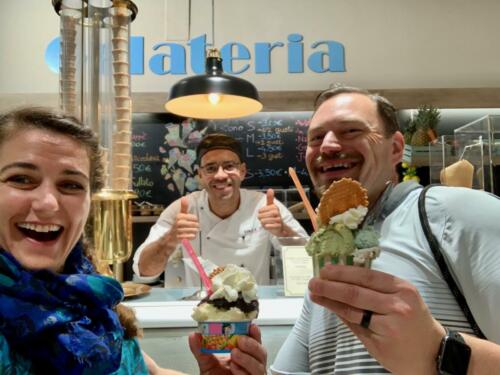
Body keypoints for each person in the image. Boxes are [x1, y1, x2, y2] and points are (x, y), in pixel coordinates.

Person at [263, 86, 500, 374]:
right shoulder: (332, 257)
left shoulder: (454, 212)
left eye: (351, 130)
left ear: (396, 148)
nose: (327, 146)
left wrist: (440, 350)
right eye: (315, 137)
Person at [0, 107, 187, 374]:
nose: (48, 203)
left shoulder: (89, 297)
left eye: (71, 184)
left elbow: (151, 371)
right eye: (21, 179)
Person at [133, 133, 308, 286]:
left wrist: (283, 231)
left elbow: (309, 261)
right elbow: (145, 272)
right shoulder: (182, 209)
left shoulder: (266, 206)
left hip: (252, 308)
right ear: (200, 175)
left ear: (242, 171)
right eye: (211, 168)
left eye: (229, 166)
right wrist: (170, 238)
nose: (220, 175)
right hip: (200, 308)